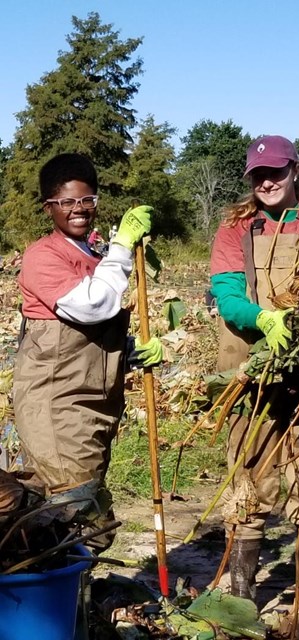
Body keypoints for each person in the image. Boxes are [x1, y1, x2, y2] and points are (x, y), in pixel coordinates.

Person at [210, 135, 299, 614]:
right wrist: (265, 319)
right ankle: (242, 593)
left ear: (294, 171)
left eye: (275, 172)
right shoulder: (236, 229)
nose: (267, 182)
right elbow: (228, 298)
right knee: (249, 475)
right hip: (252, 366)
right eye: (258, 176)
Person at [12, 153, 162, 549]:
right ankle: (51, 604)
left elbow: (85, 338)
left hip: (94, 408)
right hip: (56, 406)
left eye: (86, 200)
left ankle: (71, 604)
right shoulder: (42, 256)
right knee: (75, 514)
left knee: (76, 518)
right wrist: (123, 247)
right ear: (49, 208)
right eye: (66, 202)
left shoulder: (92, 256)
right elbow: (92, 304)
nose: (78, 209)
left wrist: (131, 351)